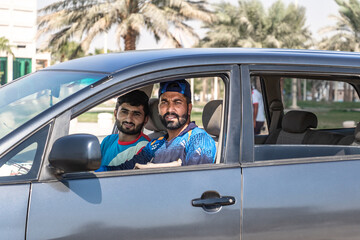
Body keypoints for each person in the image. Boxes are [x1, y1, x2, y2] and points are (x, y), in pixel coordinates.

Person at [97, 79, 216, 171]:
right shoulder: (156, 144)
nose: (170, 109)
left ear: (189, 108)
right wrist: (90, 173)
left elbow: (196, 183)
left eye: (177, 102)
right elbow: (123, 169)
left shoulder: (198, 139)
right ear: (158, 108)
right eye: (164, 102)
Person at [99, 90, 150, 168]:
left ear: (145, 119)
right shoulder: (108, 140)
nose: (129, 119)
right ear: (115, 114)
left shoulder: (145, 148)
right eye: (124, 112)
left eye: (136, 114)